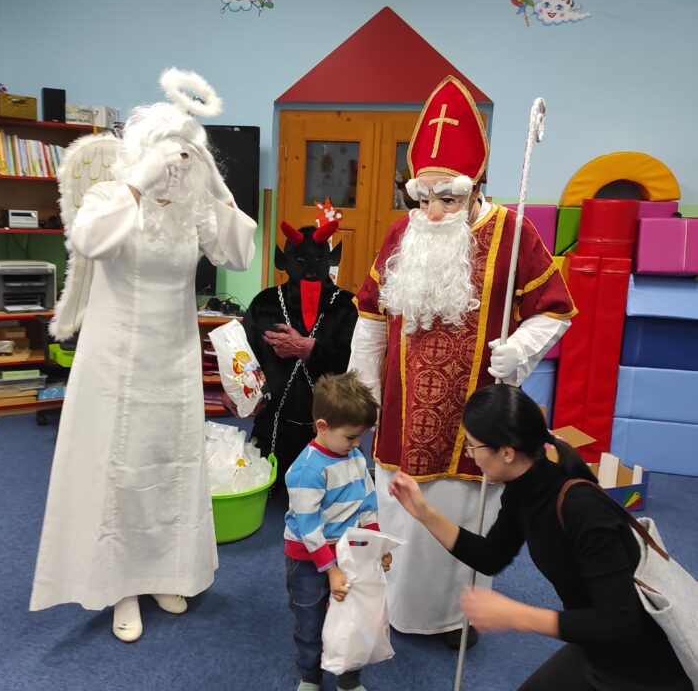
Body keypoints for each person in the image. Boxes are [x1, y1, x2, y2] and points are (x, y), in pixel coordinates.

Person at [389, 383, 698, 691]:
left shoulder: (580, 506)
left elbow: (620, 623)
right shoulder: (524, 486)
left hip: (650, 685)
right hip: (596, 654)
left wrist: (518, 616)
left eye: (474, 446)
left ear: (506, 452)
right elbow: (491, 556)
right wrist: (423, 512)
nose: (471, 455)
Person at [30, 68, 257, 642]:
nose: (174, 171)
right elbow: (88, 241)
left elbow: (236, 254)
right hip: (115, 360)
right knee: (119, 466)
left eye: (184, 161)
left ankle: (164, 569)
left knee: (169, 464)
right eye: (167, 159)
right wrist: (137, 183)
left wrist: (218, 190)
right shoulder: (111, 197)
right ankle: (119, 584)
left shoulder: (191, 210)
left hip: (173, 358)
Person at [348, 75, 575, 646]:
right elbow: (371, 315)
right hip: (403, 412)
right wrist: (361, 391)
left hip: (474, 416)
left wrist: (518, 347)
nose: (433, 211)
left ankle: (453, 618)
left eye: (447, 198)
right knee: (401, 510)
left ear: (476, 189)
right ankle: (398, 606)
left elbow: (555, 310)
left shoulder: (513, 232)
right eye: (423, 198)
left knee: (468, 512)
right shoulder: (401, 233)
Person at [284, 372, 392, 691]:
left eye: (361, 437)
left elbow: (367, 502)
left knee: (352, 618)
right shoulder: (307, 470)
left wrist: (376, 545)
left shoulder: (355, 458)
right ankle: (310, 676)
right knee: (311, 620)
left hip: (348, 553)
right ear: (322, 426)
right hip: (309, 559)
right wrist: (330, 570)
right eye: (351, 437)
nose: (357, 444)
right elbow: (308, 527)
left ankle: (349, 680)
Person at [242, 219, 357, 487]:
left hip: (330, 430)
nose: (310, 268)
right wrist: (243, 394)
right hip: (272, 427)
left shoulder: (345, 305)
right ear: (284, 262)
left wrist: (311, 349)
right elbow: (245, 356)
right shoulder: (265, 302)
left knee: (330, 494)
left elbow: (354, 364)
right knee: (265, 490)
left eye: (318, 259)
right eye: (302, 261)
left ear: (330, 260)